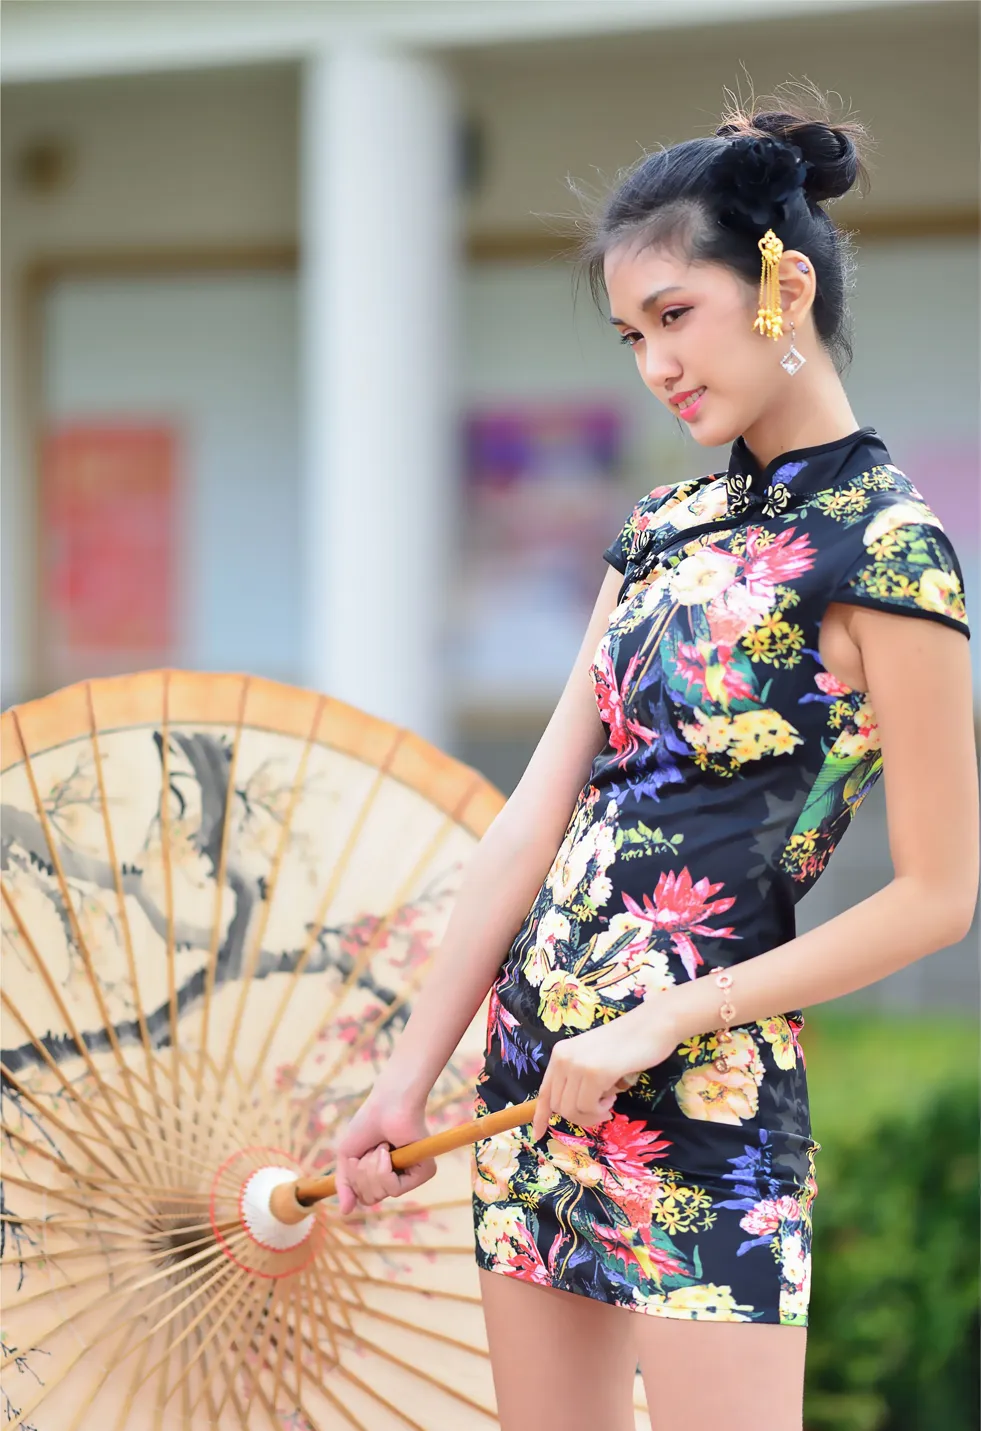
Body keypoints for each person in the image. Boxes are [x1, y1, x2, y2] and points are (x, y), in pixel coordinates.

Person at [331, 89, 978, 1431]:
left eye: (675, 316)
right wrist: (409, 1073)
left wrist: (670, 1014)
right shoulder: (656, 529)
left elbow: (939, 895)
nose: (654, 364)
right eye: (632, 335)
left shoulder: (892, 549)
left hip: (708, 1091)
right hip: (530, 1084)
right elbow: (529, 823)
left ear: (780, 286)